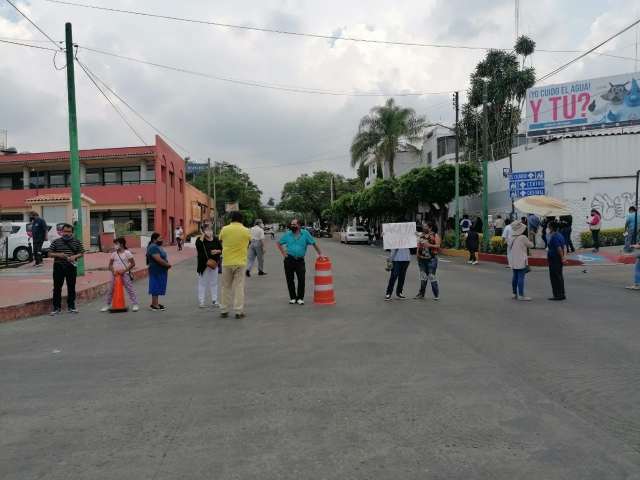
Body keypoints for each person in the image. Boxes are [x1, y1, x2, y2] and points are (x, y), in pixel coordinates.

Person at [277, 219, 325, 305]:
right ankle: (292, 297)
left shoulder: (305, 234)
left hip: (299, 260)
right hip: (289, 259)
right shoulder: (288, 234)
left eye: (294, 225)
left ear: (299, 225)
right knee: (289, 279)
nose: (292, 226)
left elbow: (314, 243)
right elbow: (279, 242)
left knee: (301, 279)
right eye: (291, 224)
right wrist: (283, 253)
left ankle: (300, 298)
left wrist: (320, 254)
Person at [218, 212, 252, 318]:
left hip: (227, 262)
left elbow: (220, 240)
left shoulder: (224, 229)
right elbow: (248, 243)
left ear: (231, 220)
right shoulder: (246, 230)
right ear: (241, 220)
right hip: (240, 262)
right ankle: (238, 311)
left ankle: (224, 310)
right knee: (239, 287)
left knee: (225, 287)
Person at [48, 224, 84, 315]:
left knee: (71, 287)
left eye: (69, 232)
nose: (67, 233)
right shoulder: (56, 242)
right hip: (58, 267)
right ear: (62, 232)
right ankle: (56, 307)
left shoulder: (77, 242)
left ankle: (71, 306)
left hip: (71, 267)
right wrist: (58, 255)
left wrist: (75, 256)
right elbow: (50, 253)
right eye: (65, 231)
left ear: (72, 232)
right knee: (57, 288)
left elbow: (81, 253)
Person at [102, 237, 138, 312]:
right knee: (111, 289)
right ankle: (107, 305)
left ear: (121, 244)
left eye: (116, 243)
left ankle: (135, 304)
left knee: (129, 289)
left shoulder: (127, 253)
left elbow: (133, 263)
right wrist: (113, 271)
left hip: (125, 274)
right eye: (114, 243)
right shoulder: (114, 254)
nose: (115, 245)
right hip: (115, 274)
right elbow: (110, 265)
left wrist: (124, 271)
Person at [195, 223, 222, 308]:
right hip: (204, 264)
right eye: (207, 229)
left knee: (214, 283)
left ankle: (214, 300)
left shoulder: (215, 239)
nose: (210, 230)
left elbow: (221, 249)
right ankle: (201, 301)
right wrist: (202, 235)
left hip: (214, 263)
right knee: (202, 283)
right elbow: (198, 247)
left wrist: (217, 251)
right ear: (203, 230)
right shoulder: (200, 240)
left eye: (211, 229)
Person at [414, 221, 440, 300]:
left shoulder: (435, 235)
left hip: (431, 259)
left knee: (431, 276)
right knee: (423, 277)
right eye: (424, 227)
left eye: (426, 227)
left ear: (430, 228)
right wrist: (417, 253)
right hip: (422, 259)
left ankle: (436, 294)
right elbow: (419, 244)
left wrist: (430, 245)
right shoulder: (422, 235)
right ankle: (421, 293)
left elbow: (438, 246)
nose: (424, 228)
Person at [507, 221, 533, 301]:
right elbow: (531, 245)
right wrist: (531, 237)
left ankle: (514, 293)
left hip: (513, 258)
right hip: (522, 259)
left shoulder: (510, 236)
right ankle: (521, 295)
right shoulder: (523, 237)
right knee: (521, 277)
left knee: (515, 276)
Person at [147, 233, 172, 311]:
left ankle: (155, 303)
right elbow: (158, 259)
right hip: (156, 270)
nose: (161, 240)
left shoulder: (157, 247)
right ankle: (155, 305)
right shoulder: (153, 247)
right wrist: (167, 265)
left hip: (160, 270)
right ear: (154, 240)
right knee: (155, 287)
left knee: (158, 286)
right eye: (159, 239)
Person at [547, 221, 568, 301]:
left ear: (551, 228)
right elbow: (564, 246)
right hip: (558, 258)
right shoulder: (560, 235)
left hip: (554, 258)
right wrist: (564, 257)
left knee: (555, 276)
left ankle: (557, 294)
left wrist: (562, 258)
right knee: (559, 275)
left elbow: (559, 248)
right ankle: (561, 293)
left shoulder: (554, 237)